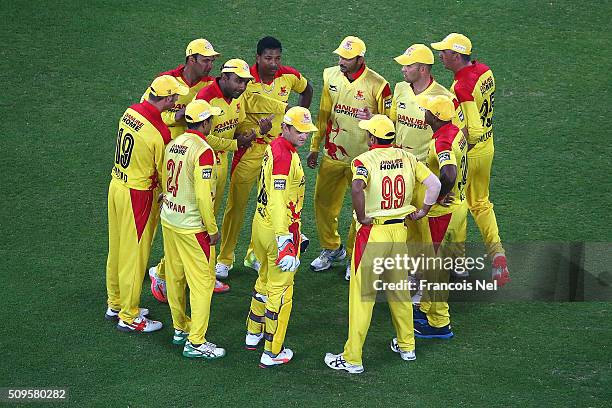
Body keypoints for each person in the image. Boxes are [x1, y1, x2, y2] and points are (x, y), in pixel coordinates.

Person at [324, 114, 441, 374]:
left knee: (361, 299)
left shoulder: (363, 161)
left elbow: (356, 188)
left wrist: (363, 216)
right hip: (399, 232)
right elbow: (434, 183)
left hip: (373, 234)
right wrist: (422, 211)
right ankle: (407, 346)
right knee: (400, 293)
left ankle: (352, 358)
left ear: (373, 138)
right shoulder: (408, 158)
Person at [216, 36, 313, 278]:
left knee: (269, 204)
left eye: (277, 58)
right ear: (257, 58)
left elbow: (307, 89)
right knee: (236, 206)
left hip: (277, 151)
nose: (273, 63)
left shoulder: (288, 75)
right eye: (268, 58)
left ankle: (255, 255)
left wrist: (298, 118)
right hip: (249, 150)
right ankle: (225, 258)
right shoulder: (244, 80)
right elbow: (246, 103)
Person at [144, 39, 227, 302]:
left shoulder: (209, 86)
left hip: (193, 159)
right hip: (168, 160)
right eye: (206, 60)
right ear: (191, 59)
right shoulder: (165, 81)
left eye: (212, 60)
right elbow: (148, 113)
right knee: (174, 221)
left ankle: (203, 273)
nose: (210, 64)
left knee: (200, 216)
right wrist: (175, 117)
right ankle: (161, 272)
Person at [105, 75, 188, 333]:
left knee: (117, 249)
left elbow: (154, 120)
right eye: (174, 98)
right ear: (166, 99)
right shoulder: (159, 134)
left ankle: (115, 302)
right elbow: (163, 171)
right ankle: (129, 316)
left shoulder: (130, 112)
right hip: (138, 196)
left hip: (116, 185)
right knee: (136, 256)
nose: (176, 102)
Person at [307, 36, 392, 280]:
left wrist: (373, 115)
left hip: (365, 160)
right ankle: (332, 248)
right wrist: (314, 145)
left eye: (347, 58)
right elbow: (324, 113)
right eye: (340, 56)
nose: (341, 61)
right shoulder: (330, 76)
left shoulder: (379, 85)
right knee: (322, 203)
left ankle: (355, 255)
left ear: (360, 59)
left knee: (361, 212)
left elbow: (388, 125)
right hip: (333, 154)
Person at [431, 33, 510, 285]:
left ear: (456, 55)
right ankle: (497, 254)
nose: (440, 55)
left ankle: (460, 262)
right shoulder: (486, 72)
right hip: (488, 147)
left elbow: (473, 129)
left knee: (459, 203)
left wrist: (458, 139)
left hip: (471, 152)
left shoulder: (461, 87)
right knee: (482, 203)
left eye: (444, 52)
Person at [244, 107, 317, 368]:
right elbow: (276, 199)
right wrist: (285, 239)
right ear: (285, 127)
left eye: (307, 132)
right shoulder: (285, 157)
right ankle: (272, 352)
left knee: (264, 280)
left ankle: (253, 333)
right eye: (299, 131)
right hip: (278, 230)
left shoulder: (275, 147)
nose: (304, 136)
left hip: (261, 224)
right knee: (281, 290)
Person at [160, 99, 225, 359]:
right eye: (212, 119)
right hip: (192, 227)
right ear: (205, 122)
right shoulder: (204, 151)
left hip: (170, 219)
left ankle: (179, 328)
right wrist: (211, 229)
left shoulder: (173, 144)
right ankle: (196, 341)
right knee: (203, 284)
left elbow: (167, 180)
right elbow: (202, 197)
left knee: (175, 276)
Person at [194, 58, 287, 218]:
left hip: (221, 161)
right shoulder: (205, 99)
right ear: (224, 78)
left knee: (212, 212)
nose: (242, 87)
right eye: (238, 81)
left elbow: (238, 129)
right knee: (199, 213)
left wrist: (259, 132)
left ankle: (208, 243)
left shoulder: (238, 97)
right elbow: (199, 137)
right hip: (202, 162)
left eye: (245, 82)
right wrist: (236, 144)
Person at [411, 94, 469, 339]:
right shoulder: (456, 132)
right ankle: (425, 308)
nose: (423, 113)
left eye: (426, 111)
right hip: (458, 208)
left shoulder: (442, 142)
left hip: (442, 214)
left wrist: (437, 196)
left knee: (435, 269)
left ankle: (438, 323)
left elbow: (449, 172)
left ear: (435, 117)